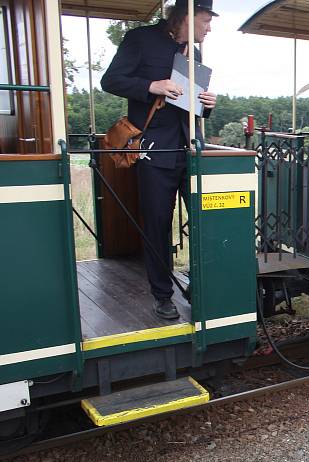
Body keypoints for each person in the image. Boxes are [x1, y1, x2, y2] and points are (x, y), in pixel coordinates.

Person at [101, 0, 217, 320]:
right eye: (206, 20)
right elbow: (110, 81)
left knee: (203, 221)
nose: (209, 28)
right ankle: (162, 295)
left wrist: (207, 104)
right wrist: (152, 86)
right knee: (157, 226)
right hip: (154, 150)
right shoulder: (140, 40)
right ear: (187, 17)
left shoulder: (196, 53)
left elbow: (193, 105)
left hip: (190, 150)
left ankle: (199, 284)